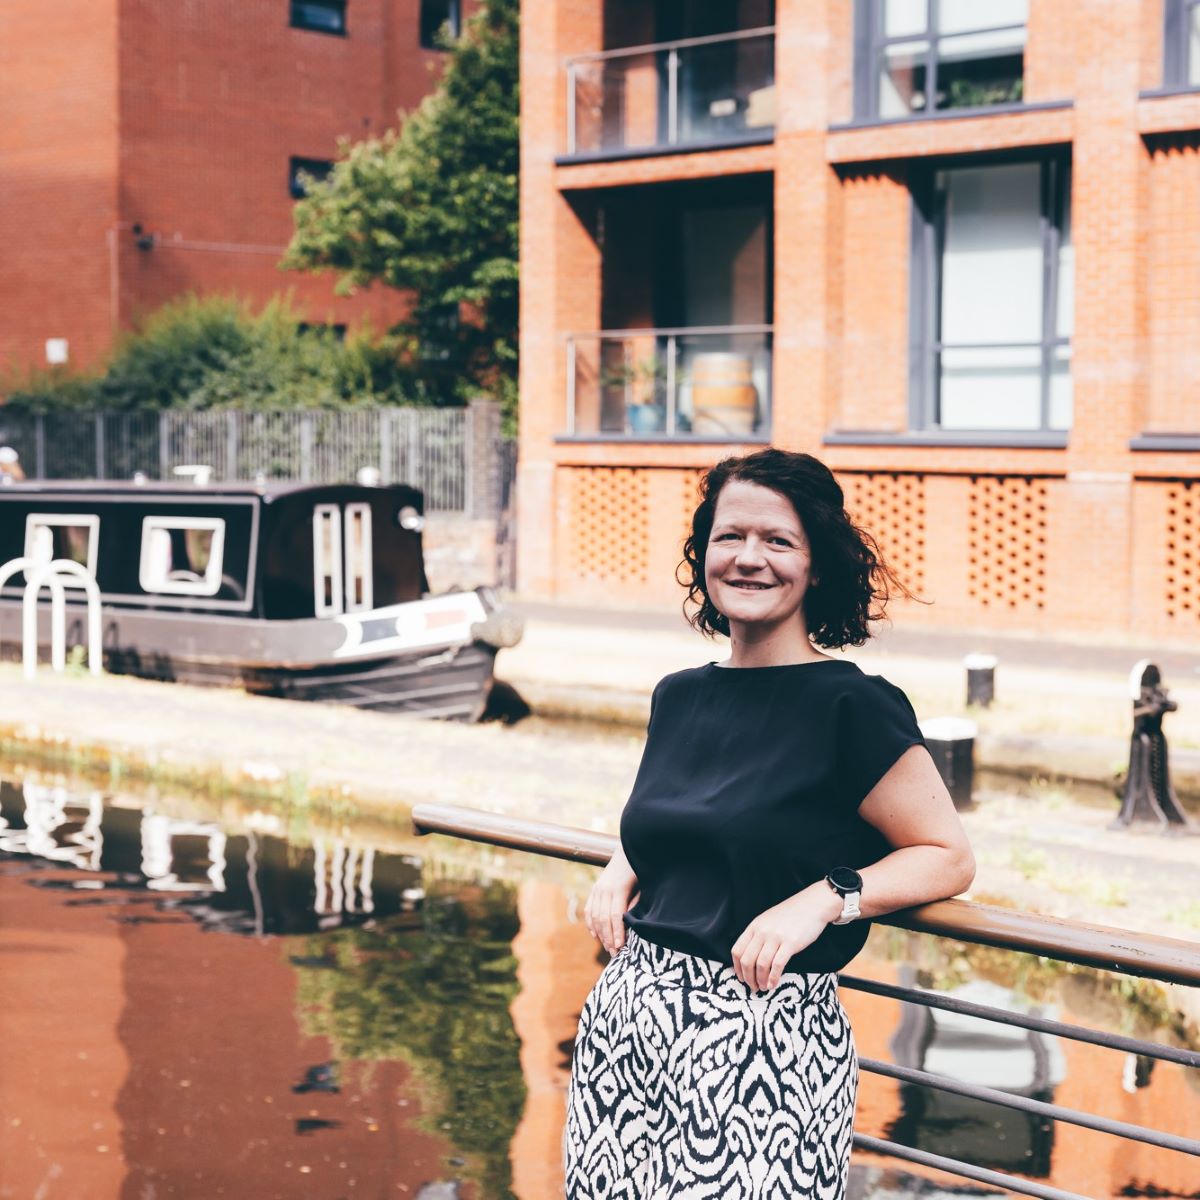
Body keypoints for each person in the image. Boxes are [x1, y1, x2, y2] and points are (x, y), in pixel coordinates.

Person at [564, 448, 975, 1199]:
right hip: (628, 1029)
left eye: (778, 542)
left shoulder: (852, 706)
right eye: (730, 537)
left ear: (816, 567)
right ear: (704, 553)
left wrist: (824, 898)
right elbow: (687, 813)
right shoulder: (679, 696)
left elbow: (946, 856)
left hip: (764, 1045)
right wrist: (627, 860)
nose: (749, 559)